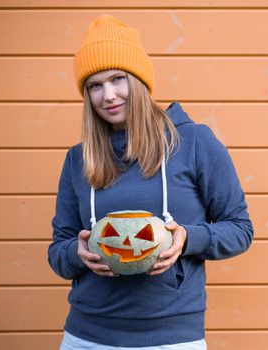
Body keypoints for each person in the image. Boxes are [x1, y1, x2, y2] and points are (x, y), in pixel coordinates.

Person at [48, 15, 253, 349]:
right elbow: (58, 249)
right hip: (87, 336)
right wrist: (76, 252)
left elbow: (240, 229)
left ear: (139, 80)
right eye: (95, 85)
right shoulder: (78, 158)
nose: (109, 95)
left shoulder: (195, 142)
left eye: (118, 79)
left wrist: (188, 238)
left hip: (171, 338)